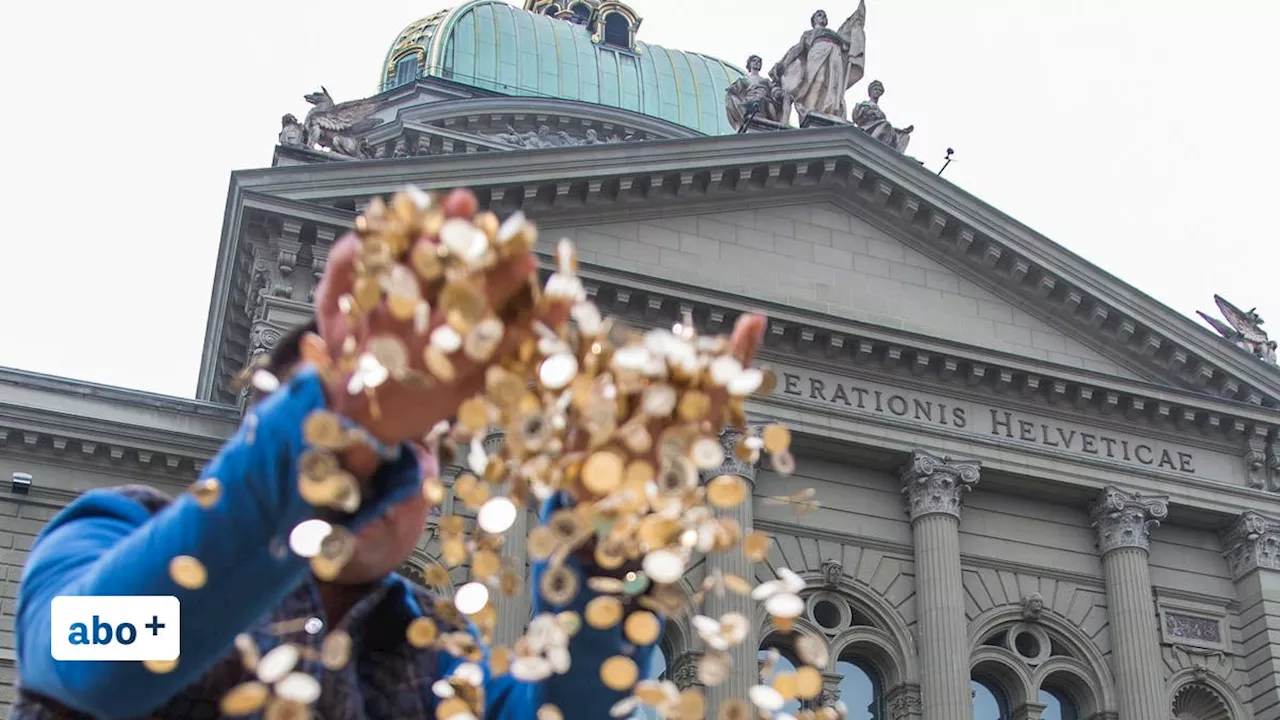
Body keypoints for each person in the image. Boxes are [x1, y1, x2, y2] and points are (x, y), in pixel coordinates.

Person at [12, 188, 768, 720]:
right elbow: (95, 659)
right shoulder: (107, 533)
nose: (370, 476)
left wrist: (600, 543)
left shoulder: (438, 660)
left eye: (411, 449)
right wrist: (334, 435)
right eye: (369, 448)